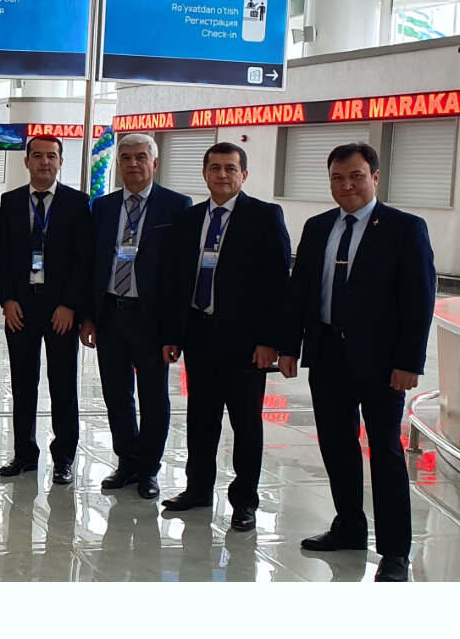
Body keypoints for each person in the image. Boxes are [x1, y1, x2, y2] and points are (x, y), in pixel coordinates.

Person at [280, 143, 435, 582]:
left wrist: (409, 362)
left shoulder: (405, 229)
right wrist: (290, 347)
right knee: (336, 445)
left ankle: (395, 551)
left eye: (356, 176)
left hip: (384, 363)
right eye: (337, 178)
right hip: (327, 354)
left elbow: (418, 300)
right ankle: (348, 526)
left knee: (384, 451)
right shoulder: (317, 227)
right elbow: (300, 294)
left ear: (375, 177)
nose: (346, 185)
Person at [160, 141, 290, 532]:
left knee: (246, 423)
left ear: (243, 175)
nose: (222, 175)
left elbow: (277, 285)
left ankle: (245, 501)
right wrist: (172, 334)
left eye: (230, 169)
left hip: (247, 343)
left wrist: (270, 341)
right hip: (199, 334)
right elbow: (175, 282)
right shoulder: (189, 219)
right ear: (205, 173)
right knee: (201, 419)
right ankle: (198, 489)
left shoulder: (265, 217)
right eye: (215, 168)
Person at [79, 134, 191, 500]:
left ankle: (149, 468)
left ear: (154, 163)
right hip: (111, 312)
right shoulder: (104, 207)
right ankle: (126, 461)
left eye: (141, 157)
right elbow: (92, 262)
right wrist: (89, 316)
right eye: (125, 158)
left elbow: (179, 275)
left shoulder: (177, 206)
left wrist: (174, 330)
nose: (132, 164)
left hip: (151, 318)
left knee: (154, 396)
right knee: (116, 393)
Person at [0, 135, 91, 485]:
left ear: (60, 161)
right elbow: (0, 256)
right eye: (38, 156)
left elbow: (84, 261)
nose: (45, 162)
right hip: (20, 306)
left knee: (63, 384)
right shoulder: (10, 202)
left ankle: (64, 457)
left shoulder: (79, 204)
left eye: (52, 156)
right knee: (22, 383)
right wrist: (7, 299)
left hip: (60, 309)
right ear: (27, 162)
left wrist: (70, 305)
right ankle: (24, 454)